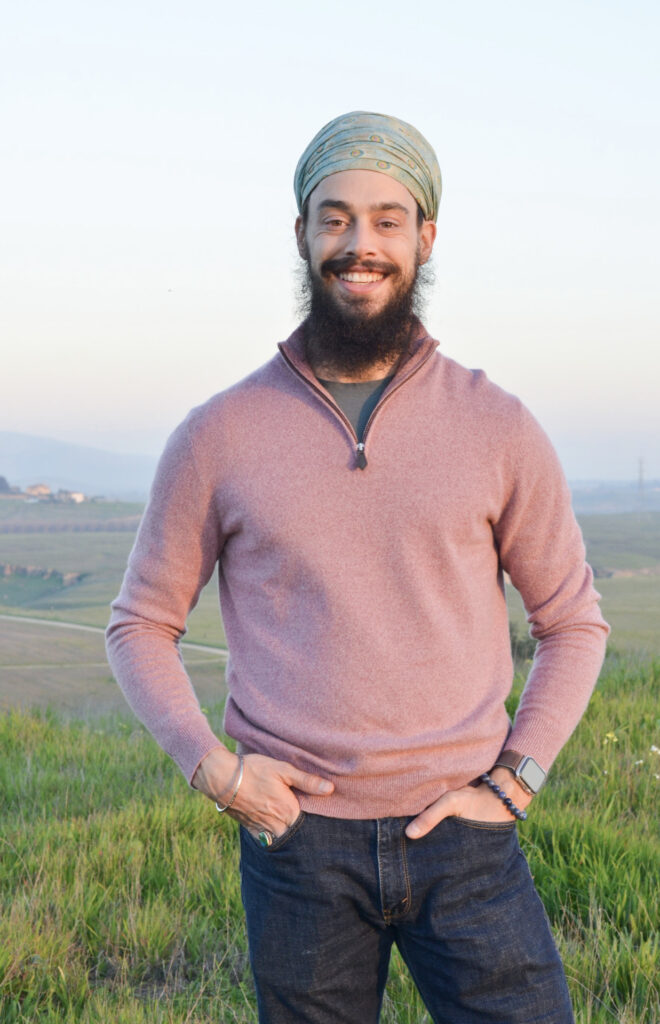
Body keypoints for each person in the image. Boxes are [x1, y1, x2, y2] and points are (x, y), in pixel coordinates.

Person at [106, 110, 609, 1023]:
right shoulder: (219, 433)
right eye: (334, 217)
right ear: (301, 234)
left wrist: (516, 779)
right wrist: (216, 773)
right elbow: (140, 624)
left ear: (426, 237)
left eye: (386, 218)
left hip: (467, 839)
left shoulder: (497, 424)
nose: (359, 243)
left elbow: (573, 621)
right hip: (297, 845)